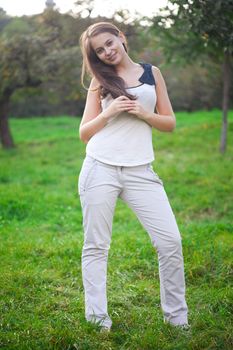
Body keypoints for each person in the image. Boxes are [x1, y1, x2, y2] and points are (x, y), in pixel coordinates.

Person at [78, 21, 189, 333]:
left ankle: (177, 319)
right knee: (96, 246)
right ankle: (98, 319)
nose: (107, 52)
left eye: (109, 43)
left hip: (141, 170)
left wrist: (144, 114)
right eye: (99, 50)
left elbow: (169, 123)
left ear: (121, 38)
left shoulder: (152, 73)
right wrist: (108, 113)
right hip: (100, 167)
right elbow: (84, 133)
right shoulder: (100, 81)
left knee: (170, 242)